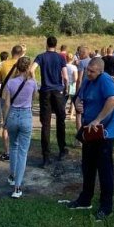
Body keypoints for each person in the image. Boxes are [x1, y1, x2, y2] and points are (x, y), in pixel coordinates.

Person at [59, 57, 114, 221]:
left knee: (104, 169)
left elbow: (113, 99)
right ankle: (85, 199)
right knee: (88, 166)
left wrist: (98, 119)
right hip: (89, 131)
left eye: (92, 71)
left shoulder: (105, 80)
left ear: (100, 71)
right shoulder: (87, 80)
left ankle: (106, 206)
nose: (89, 74)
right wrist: (78, 103)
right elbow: (79, 97)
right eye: (88, 70)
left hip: (104, 132)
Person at [2, 56, 38, 198]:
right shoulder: (32, 83)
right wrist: (32, 75)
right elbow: (34, 97)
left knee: (13, 147)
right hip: (26, 116)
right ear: (28, 68)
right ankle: (17, 187)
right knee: (23, 152)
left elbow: (6, 104)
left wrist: (5, 120)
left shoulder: (10, 83)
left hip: (13, 116)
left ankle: (12, 176)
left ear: (17, 67)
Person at [34, 36, 69, 167]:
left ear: (46, 44)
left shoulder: (41, 56)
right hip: (58, 91)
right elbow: (65, 76)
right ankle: (62, 150)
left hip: (45, 92)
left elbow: (32, 70)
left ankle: (46, 157)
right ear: (56, 44)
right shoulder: (60, 58)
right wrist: (66, 89)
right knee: (60, 121)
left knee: (46, 124)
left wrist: (36, 85)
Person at [0, 44, 27, 160]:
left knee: (6, 126)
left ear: (11, 52)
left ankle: (7, 152)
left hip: (6, 96)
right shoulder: (24, 65)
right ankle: (18, 150)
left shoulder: (3, 64)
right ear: (21, 53)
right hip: (21, 97)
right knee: (20, 124)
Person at [64, 52, 78, 118]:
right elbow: (75, 78)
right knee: (73, 101)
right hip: (72, 85)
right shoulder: (74, 67)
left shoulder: (64, 66)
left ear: (66, 58)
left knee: (64, 100)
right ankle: (71, 114)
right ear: (72, 59)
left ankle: (63, 112)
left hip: (64, 84)